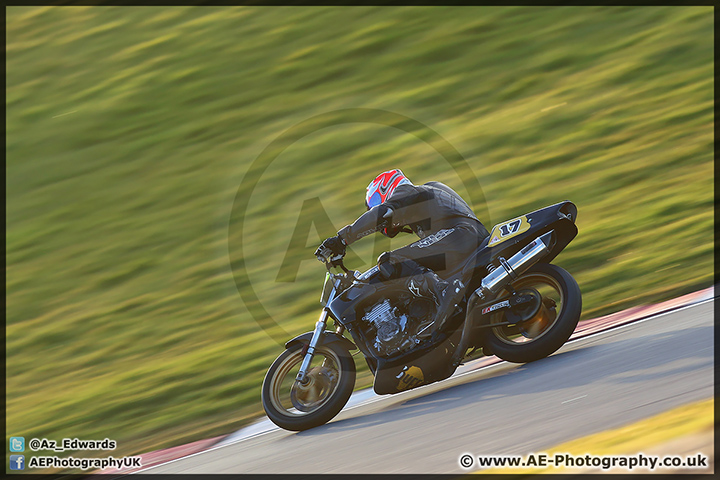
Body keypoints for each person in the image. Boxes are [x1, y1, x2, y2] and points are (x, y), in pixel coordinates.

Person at [316, 169, 490, 338]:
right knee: (408, 266)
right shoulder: (428, 195)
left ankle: (445, 292)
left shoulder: (407, 191)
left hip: (461, 236)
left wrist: (342, 239)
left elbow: (382, 213)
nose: (375, 206)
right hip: (464, 239)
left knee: (389, 261)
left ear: (387, 187)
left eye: (375, 200)